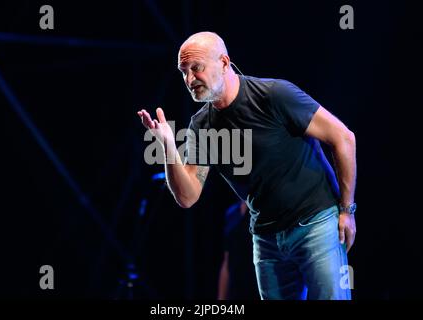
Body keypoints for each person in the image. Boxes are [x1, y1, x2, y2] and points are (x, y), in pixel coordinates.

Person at [137, 31, 356, 300]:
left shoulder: (274, 95)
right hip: (267, 238)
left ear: (224, 63)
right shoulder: (202, 125)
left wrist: (347, 210)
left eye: (196, 68)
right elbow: (187, 196)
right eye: (184, 72)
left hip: (315, 223)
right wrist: (167, 146)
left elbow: (344, 138)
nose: (189, 80)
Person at [218, 201, 259, 300]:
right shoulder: (232, 213)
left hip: (257, 284)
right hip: (237, 288)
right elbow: (227, 260)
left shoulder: (261, 211)